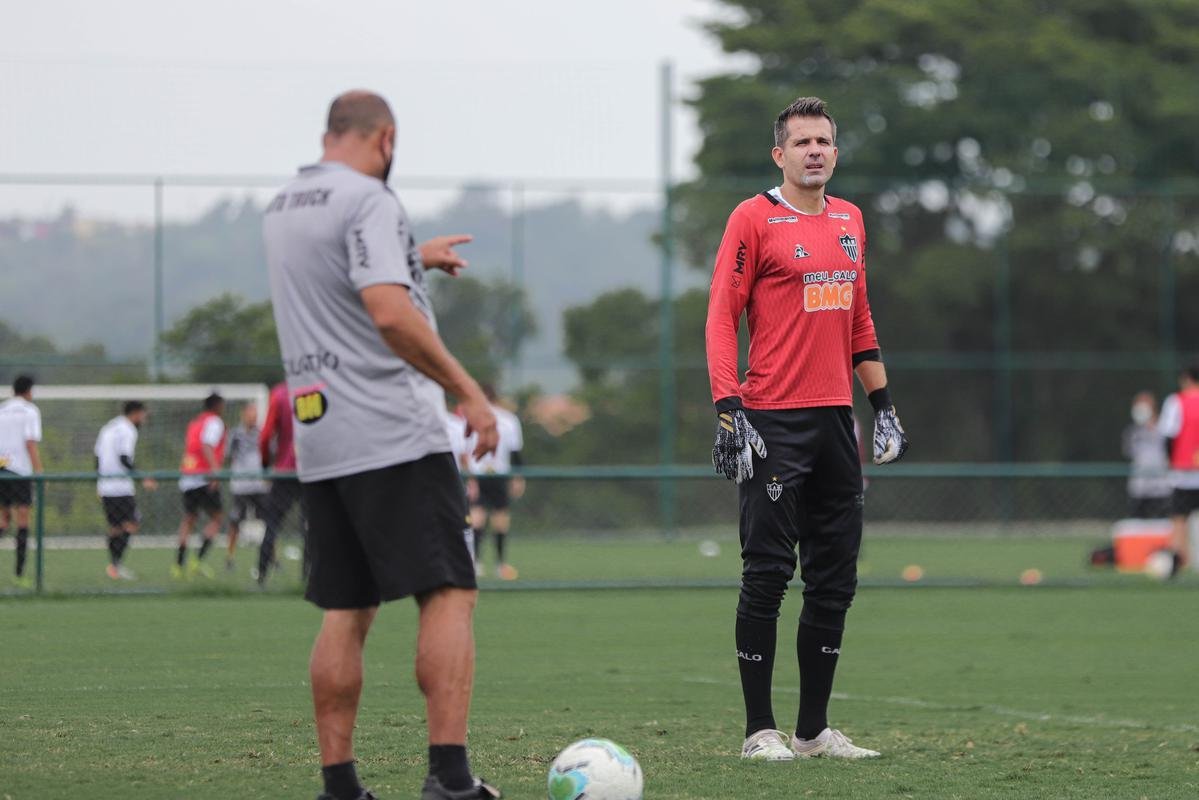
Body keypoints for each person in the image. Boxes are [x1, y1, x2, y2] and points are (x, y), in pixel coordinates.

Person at [262, 90, 501, 800]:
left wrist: (410, 256)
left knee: (348, 605)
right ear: (384, 137)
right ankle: (450, 779)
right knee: (450, 592)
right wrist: (468, 389)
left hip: (320, 436)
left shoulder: (284, 205)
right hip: (392, 428)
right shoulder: (368, 197)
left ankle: (340, 786)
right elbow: (387, 314)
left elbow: (337, 287)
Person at [704, 97, 909, 762]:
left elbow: (859, 320)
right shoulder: (752, 219)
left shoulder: (850, 220)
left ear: (834, 152)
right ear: (779, 155)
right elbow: (719, 316)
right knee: (766, 574)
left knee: (834, 579)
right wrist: (727, 406)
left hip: (833, 424)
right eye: (801, 142)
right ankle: (758, 731)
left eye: (823, 141)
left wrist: (883, 407)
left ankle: (812, 731)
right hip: (770, 420)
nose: (814, 150)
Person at [462, 385, 525, 580]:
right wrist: (518, 477)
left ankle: (477, 563)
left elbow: (462, 451)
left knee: (480, 518)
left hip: (479, 474)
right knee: (498, 519)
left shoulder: (470, 419)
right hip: (494, 475)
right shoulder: (508, 419)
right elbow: (516, 453)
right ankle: (499, 565)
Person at [94, 400, 157, 580]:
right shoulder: (128, 429)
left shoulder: (108, 427)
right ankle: (115, 565)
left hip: (106, 486)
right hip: (121, 487)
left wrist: (99, 483)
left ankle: (114, 566)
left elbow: (97, 457)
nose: (144, 419)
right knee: (132, 523)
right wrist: (143, 478)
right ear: (136, 413)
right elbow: (124, 458)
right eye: (143, 415)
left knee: (115, 528)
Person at [173, 393, 226, 580]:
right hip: (204, 476)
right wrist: (215, 473)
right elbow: (207, 446)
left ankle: (178, 566)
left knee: (189, 519)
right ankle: (198, 560)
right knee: (217, 517)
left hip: (188, 476)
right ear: (218, 405)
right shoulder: (215, 422)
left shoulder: (195, 423)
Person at [258, 379, 304, 585]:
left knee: (272, 524)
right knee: (313, 526)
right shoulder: (319, 388)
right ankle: (309, 578)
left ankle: (261, 577)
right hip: (312, 471)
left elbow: (266, 435)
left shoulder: (279, 394)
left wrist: (266, 464)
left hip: (284, 471)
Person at [0, 375, 43, 589]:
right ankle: (19, 574)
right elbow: (30, 443)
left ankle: (18, 573)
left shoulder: (2, 409)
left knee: (3, 521)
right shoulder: (30, 411)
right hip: (20, 471)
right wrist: (39, 471)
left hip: (1, 469)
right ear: (29, 390)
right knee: (22, 521)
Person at [1158, 364, 1199, 577]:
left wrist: (1168, 460)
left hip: (1183, 472)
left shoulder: (1177, 402)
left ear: (1187, 379)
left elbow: (1168, 435)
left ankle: (1179, 563)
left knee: (1179, 519)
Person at [226, 402, 268, 572]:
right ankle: (229, 557)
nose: (254, 417)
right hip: (241, 486)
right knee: (235, 522)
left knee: (269, 522)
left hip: (259, 486)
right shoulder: (235, 434)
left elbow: (268, 454)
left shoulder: (261, 433)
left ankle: (272, 557)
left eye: (255, 414)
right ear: (243, 414)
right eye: (251, 413)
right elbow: (228, 455)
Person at [1122, 391, 1171, 519]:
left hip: (1161, 483)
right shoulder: (1131, 431)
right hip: (1139, 483)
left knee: (1163, 519)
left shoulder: (1164, 428)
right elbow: (1128, 452)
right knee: (1137, 518)